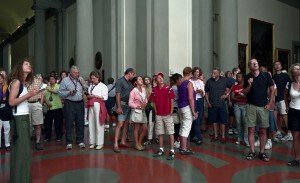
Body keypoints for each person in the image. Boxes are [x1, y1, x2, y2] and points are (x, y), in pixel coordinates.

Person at [8, 58, 39, 183]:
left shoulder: (22, 83)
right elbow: (11, 102)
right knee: (21, 152)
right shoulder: (16, 82)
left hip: (23, 118)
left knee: (23, 151)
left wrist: (29, 94)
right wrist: (28, 95)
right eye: (26, 64)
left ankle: (22, 178)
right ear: (20, 67)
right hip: (19, 119)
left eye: (30, 64)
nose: (29, 65)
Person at [243, 59, 275, 162]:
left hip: (263, 107)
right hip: (251, 106)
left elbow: (272, 89)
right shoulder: (247, 77)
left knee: (263, 130)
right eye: (252, 63)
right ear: (249, 67)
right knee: (251, 129)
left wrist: (270, 103)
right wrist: (249, 85)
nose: (255, 64)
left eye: (256, 62)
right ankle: (252, 151)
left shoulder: (265, 75)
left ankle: (261, 152)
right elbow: (244, 92)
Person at [58, 65, 87, 150]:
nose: (77, 74)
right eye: (75, 73)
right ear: (70, 73)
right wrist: (68, 93)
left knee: (80, 122)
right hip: (70, 103)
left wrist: (83, 84)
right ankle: (69, 142)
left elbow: (86, 88)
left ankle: (80, 141)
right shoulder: (65, 80)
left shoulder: (80, 79)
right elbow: (60, 93)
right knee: (69, 123)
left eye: (78, 72)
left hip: (80, 103)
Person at [150, 72, 176, 160]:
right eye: (158, 78)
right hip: (159, 114)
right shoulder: (154, 90)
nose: (160, 79)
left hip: (167, 113)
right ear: (156, 80)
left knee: (170, 132)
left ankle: (172, 150)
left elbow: (171, 99)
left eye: (161, 77)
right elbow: (153, 101)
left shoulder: (169, 88)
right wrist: (155, 110)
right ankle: (161, 149)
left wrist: (171, 110)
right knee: (160, 132)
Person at [205, 68, 231, 143]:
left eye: (215, 73)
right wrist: (208, 102)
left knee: (223, 121)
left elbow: (230, 88)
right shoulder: (209, 81)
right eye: (212, 73)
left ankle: (223, 136)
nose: (212, 74)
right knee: (214, 121)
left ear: (219, 74)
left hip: (222, 104)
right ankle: (216, 136)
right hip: (212, 104)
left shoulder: (224, 80)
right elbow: (206, 92)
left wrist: (226, 95)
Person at [113, 68, 135, 153]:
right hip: (122, 105)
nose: (133, 76)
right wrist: (119, 107)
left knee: (126, 124)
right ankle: (115, 144)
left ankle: (123, 141)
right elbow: (117, 94)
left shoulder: (129, 83)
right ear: (130, 73)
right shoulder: (120, 81)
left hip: (129, 105)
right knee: (120, 124)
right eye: (133, 74)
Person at [178, 67, 198, 155]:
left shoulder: (180, 82)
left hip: (180, 107)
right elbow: (190, 98)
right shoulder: (189, 83)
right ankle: (184, 148)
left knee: (183, 126)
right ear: (190, 73)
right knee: (186, 127)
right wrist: (193, 111)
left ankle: (182, 147)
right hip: (186, 107)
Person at [87, 71, 108, 150]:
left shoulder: (103, 86)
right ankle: (92, 142)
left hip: (98, 105)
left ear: (98, 78)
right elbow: (89, 95)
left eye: (94, 78)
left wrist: (95, 96)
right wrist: (89, 96)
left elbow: (105, 97)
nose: (92, 80)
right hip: (91, 104)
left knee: (99, 123)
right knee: (91, 123)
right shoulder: (91, 86)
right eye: (91, 78)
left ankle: (100, 143)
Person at [284, 63, 300, 166]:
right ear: (292, 72)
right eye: (297, 69)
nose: (299, 70)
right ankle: (297, 158)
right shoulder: (289, 84)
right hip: (294, 111)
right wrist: (287, 106)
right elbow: (285, 95)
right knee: (296, 136)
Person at [273, 61, 292, 141]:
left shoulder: (285, 76)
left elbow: (289, 86)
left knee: (284, 116)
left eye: (279, 64)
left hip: (283, 98)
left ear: (281, 66)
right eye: (275, 65)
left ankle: (290, 133)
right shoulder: (273, 76)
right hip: (276, 98)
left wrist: (288, 97)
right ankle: (279, 131)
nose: (277, 66)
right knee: (278, 116)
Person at [129, 76, 148, 150]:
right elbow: (130, 103)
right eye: (139, 79)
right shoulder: (133, 91)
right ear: (136, 82)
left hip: (142, 111)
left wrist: (145, 103)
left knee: (145, 128)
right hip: (136, 111)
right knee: (136, 129)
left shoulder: (143, 89)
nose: (141, 80)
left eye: (141, 79)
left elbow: (145, 99)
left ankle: (139, 142)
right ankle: (137, 144)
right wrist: (139, 107)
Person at [27, 74, 45, 150]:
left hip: (36, 103)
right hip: (26, 104)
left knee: (37, 125)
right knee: (27, 124)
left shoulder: (39, 81)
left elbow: (43, 94)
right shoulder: (24, 81)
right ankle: (27, 141)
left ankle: (37, 142)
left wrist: (40, 104)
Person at [231, 72, 248, 146]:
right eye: (237, 77)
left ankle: (246, 139)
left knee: (245, 122)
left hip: (245, 105)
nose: (238, 78)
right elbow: (232, 97)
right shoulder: (235, 87)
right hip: (237, 106)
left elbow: (247, 97)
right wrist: (240, 97)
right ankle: (239, 138)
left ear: (243, 78)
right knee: (238, 122)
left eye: (239, 77)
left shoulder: (246, 86)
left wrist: (237, 97)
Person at [44, 75, 63, 142]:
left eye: (53, 79)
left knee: (57, 123)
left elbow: (57, 92)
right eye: (50, 79)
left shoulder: (58, 86)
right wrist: (46, 102)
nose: (51, 80)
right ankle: (48, 137)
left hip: (57, 107)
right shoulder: (47, 87)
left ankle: (59, 136)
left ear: (55, 80)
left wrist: (49, 89)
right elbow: (44, 96)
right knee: (48, 123)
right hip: (49, 107)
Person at [189, 67, 205, 145]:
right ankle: (199, 138)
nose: (196, 73)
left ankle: (192, 136)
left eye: (198, 72)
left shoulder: (201, 82)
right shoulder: (189, 81)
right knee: (195, 119)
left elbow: (204, 94)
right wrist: (196, 91)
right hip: (193, 101)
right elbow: (189, 92)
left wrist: (201, 91)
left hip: (200, 101)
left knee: (198, 119)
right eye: (195, 72)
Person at [171, 73, 182, 148]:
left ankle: (176, 139)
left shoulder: (173, 87)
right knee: (177, 124)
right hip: (175, 107)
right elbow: (178, 97)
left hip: (175, 107)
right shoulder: (175, 88)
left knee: (176, 125)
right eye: (180, 79)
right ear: (177, 80)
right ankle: (176, 140)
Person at [0, 73, 10, 151]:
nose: (0, 79)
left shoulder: (7, 87)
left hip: (5, 109)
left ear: (4, 79)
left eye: (1, 78)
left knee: (7, 127)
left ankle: (7, 144)